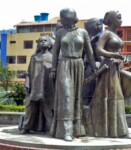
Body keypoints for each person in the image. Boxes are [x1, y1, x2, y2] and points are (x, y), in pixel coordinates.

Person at [49, 8, 96, 141]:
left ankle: (77, 128)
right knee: (66, 96)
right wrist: (53, 69)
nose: (60, 19)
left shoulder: (83, 32)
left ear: (70, 17)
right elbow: (55, 52)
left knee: (77, 98)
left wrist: (94, 68)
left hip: (78, 65)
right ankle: (66, 130)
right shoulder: (60, 33)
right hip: (64, 64)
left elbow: (89, 52)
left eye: (62, 17)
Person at [91, 10, 131, 139]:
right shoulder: (106, 33)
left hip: (116, 68)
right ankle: (109, 130)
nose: (121, 20)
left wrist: (123, 58)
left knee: (118, 98)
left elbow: (118, 52)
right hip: (107, 69)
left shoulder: (116, 35)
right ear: (111, 20)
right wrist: (112, 55)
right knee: (111, 97)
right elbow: (98, 50)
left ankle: (120, 130)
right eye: (118, 17)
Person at [20, 35, 55, 134]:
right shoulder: (34, 58)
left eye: (45, 41)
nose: (43, 42)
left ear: (49, 45)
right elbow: (29, 72)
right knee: (30, 108)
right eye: (40, 41)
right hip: (35, 87)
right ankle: (26, 127)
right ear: (38, 44)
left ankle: (52, 128)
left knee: (48, 109)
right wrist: (27, 82)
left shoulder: (53, 58)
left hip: (47, 88)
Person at [83, 18, 103, 106]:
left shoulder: (98, 38)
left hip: (94, 67)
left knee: (91, 92)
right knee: (88, 92)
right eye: (98, 24)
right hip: (89, 68)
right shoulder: (89, 38)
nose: (100, 26)